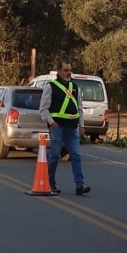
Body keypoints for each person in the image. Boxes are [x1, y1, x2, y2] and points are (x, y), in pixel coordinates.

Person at [38, 58, 90, 196]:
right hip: (58, 126)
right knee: (54, 155)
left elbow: (79, 108)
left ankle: (80, 185)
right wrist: (51, 121)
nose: (68, 73)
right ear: (59, 71)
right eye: (66, 70)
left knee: (76, 155)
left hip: (72, 126)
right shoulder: (51, 86)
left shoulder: (74, 87)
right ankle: (51, 183)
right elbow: (43, 108)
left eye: (70, 70)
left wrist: (81, 125)